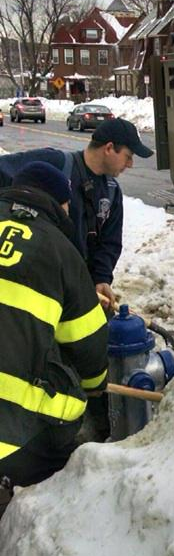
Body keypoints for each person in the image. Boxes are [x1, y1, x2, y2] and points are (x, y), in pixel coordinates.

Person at [0, 161, 108, 501]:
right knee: (70, 405)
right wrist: (95, 390)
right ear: (59, 204)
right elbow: (89, 348)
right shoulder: (61, 253)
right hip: (13, 442)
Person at [0, 117, 153, 309]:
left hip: (75, 288)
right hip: (33, 284)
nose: (130, 164)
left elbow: (109, 243)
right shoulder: (55, 165)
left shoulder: (112, 191)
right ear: (109, 148)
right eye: (128, 156)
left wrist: (101, 278)